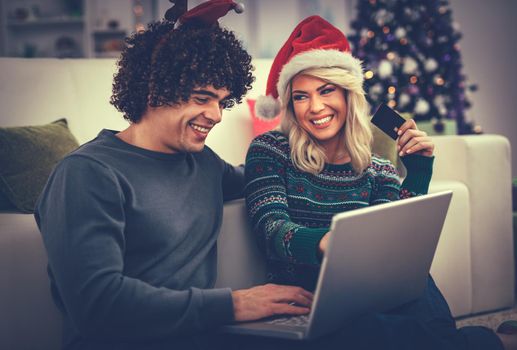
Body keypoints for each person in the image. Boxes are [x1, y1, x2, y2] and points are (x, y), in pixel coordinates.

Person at [34, 2, 315, 349]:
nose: (216, 115)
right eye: (203, 98)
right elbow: (98, 305)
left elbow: (266, 176)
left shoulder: (204, 164)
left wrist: (353, 149)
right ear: (155, 88)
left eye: (222, 102)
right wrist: (235, 304)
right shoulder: (85, 174)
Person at [245, 15, 517, 350]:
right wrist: (326, 242)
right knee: (376, 332)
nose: (315, 107)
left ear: (349, 94)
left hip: (376, 292)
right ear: (289, 103)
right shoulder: (270, 150)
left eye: (326, 90)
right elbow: (271, 228)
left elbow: (397, 244)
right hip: (310, 299)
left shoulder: (377, 168)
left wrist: (419, 172)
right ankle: (500, 342)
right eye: (301, 96)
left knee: (421, 297)